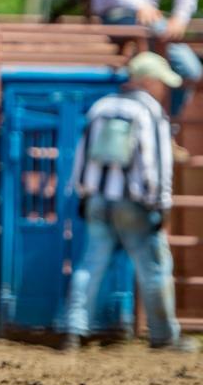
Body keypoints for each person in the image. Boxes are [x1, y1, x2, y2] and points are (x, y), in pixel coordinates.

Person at [64, 52, 199, 354]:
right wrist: (160, 205)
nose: (164, 89)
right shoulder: (150, 113)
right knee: (154, 269)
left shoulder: (102, 107)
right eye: (161, 83)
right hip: (135, 203)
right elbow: (154, 165)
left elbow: (82, 156)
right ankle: (164, 336)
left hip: (98, 198)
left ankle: (74, 328)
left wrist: (83, 193)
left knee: (90, 264)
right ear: (149, 81)